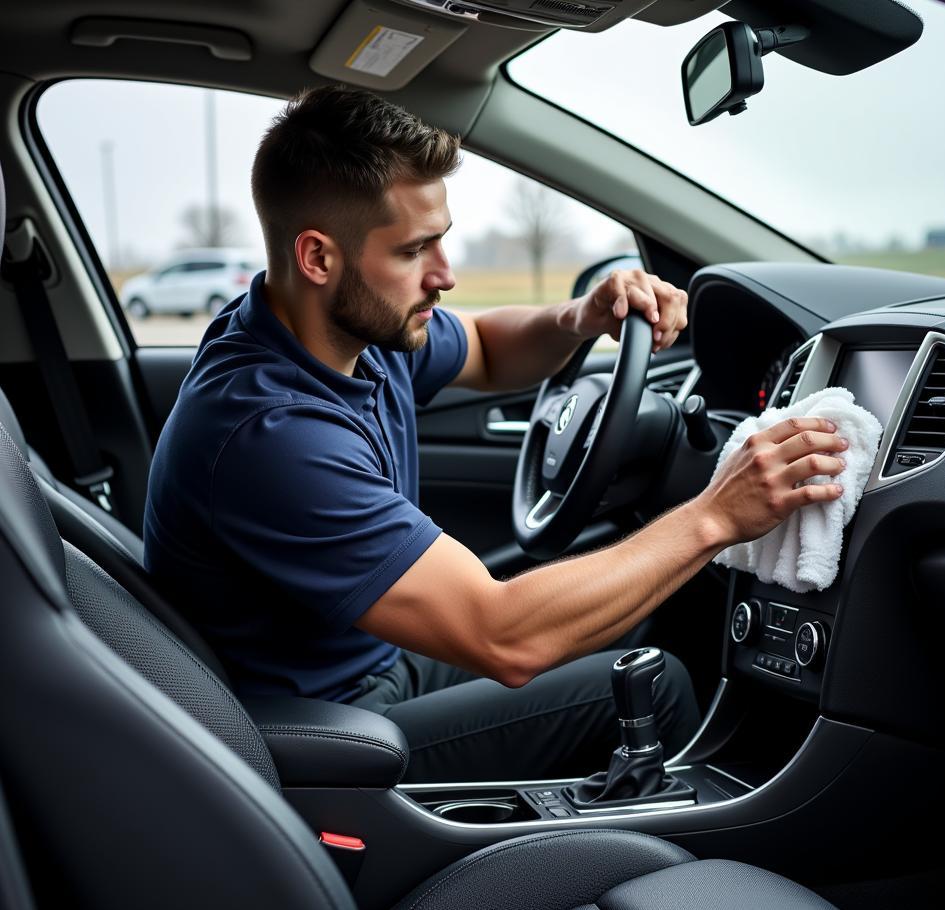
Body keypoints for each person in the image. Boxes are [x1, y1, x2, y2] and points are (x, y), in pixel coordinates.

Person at [144, 86, 846, 782]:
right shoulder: (271, 436)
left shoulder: (343, 327)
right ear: (318, 258)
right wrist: (717, 514)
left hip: (370, 662)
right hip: (328, 738)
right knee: (651, 683)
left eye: (441, 241)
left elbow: (483, 345)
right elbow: (504, 635)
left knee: (638, 621)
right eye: (416, 250)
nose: (445, 276)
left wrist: (582, 318)